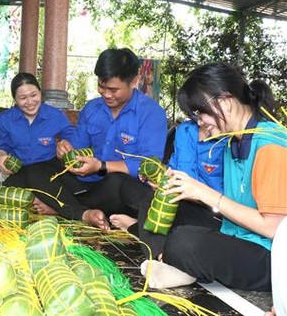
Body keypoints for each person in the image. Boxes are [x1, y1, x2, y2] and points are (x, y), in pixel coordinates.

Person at [140, 63, 286, 291]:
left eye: (201, 113)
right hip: (239, 234)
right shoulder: (232, 141)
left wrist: (206, 194)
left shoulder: (271, 144)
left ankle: (180, 263)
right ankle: (171, 260)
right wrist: (181, 187)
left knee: (184, 242)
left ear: (225, 101)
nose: (200, 123)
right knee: (157, 202)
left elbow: (273, 228)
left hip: (273, 258)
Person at [26, 48, 168, 229]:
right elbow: (77, 145)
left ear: (134, 81)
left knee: (119, 184)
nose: (106, 94)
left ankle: (63, 207)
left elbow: (150, 163)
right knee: (34, 171)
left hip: (115, 186)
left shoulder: (151, 113)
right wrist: (66, 150)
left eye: (113, 89)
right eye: (102, 86)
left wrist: (101, 166)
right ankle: (82, 213)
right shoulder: (92, 108)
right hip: (86, 181)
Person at [109, 120, 226, 234]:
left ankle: (137, 228)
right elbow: (173, 168)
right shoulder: (185, 130)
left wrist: (188, 193)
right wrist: (157, 176)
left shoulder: (230, 139)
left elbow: (226, 201)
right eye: (196, 113)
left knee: (186, 230)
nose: (200, 121)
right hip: (175, 198)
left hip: (209, 209)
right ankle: (147, 228)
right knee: (125, 185)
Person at [0, 72, 74, 189]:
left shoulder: (54, 115)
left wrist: (66, 144)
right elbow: (1, 145)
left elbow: (70, 134)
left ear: (40, 93)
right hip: (18, 169)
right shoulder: (4, 119)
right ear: (15, 99)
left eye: (34, 95)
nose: (30, 102)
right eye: (23, 98)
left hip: (48, 169)